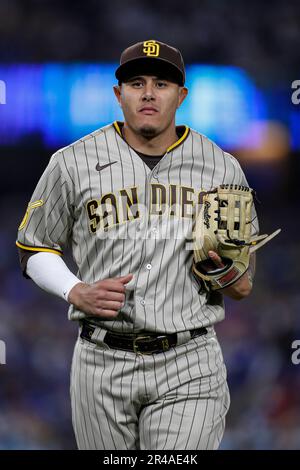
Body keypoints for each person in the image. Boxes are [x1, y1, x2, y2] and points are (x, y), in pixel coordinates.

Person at [16, 39, 257, 450]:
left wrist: (223, 270)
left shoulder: (220, 165)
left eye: (161, 84)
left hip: (189, 359)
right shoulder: (71, 162)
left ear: (181, 96)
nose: (148, 92)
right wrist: (74, 289)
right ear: (118, 93)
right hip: (100, 360)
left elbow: (243, 285)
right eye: (136, 82)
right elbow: (32, 246)